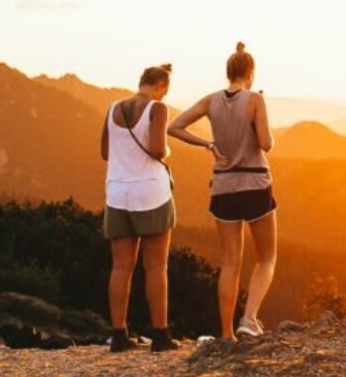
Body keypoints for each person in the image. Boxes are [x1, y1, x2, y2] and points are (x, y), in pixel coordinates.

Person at [168, 42, 278, 341]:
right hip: (255, 184)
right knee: (266, 257)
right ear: (250, 73)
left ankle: (227, 333)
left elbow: (174, 127)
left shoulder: (211, 101)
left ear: (228, 72)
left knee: (230, 262)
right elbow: (266, 143)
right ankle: (250, 318)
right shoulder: (255, 100)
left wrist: (207, 144)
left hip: (224, 186)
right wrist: (259, 120)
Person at [100, 63, 178, 353]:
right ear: (161, 87)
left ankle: (119, 334)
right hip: (150, 194)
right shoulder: (158, 109)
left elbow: (105, 152)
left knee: (121, 267)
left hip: (117, 193)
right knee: (156, 266)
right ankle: (160, 335)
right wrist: (167, 151)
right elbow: (158, 149)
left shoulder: (113, 109)